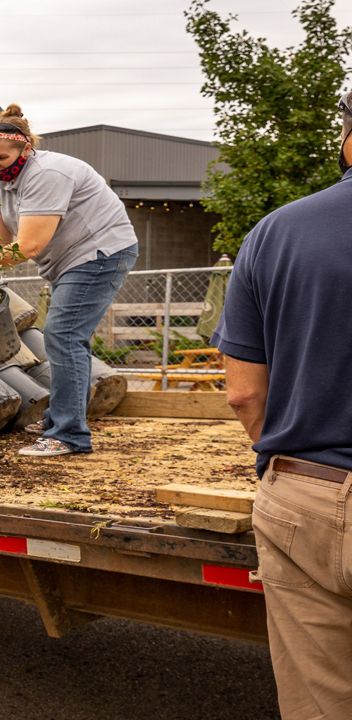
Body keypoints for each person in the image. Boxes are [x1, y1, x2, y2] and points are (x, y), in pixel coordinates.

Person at [212, 93, 352, 719]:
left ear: (347, 140)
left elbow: (243, 391)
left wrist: (291, 465)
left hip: (308, 497)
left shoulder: (276, 232)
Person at [0, 104, 140, 458]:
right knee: (66, 338)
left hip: (101, 253)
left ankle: (68, 434)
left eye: (1, 157)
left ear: (25, 149)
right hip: (67, 261)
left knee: (63, 336)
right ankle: (62, 417)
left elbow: (28, 245)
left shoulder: (48, 173)